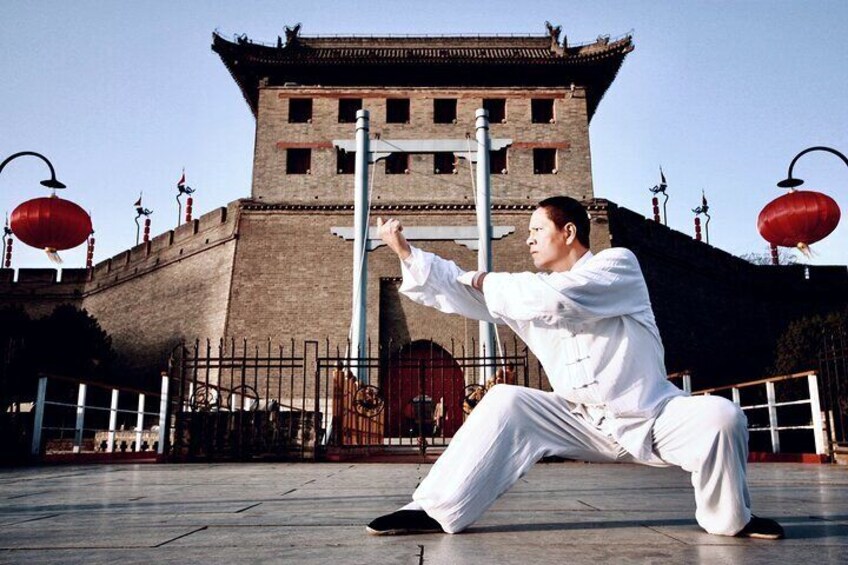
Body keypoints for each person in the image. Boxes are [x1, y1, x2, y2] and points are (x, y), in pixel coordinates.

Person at [366, 196, 784, 540]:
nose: (529, 241)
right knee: (507, 401)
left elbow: (558, 300)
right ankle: (433, 508)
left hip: (652, 416)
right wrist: (407, 253)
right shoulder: (524, 294)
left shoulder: (618, 266)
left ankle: (731, 520)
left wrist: (485, 280)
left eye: (536, 231)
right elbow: (461, 291)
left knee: (722, 416)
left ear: (568, 232)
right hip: (578, 419)